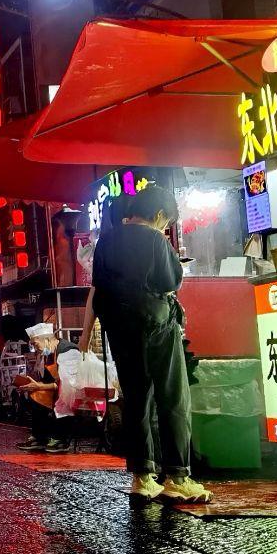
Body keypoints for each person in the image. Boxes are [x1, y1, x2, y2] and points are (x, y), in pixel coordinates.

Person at [93, 183, 209, 504]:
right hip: (156, 324)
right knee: (172, 397)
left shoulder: (105, 241)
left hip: (120, 329)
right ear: (158, 215)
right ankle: (178, 476)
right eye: (166, 222)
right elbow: (170, 281)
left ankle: (142, 477)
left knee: (136, 400)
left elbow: (99, 286)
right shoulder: (157, 241)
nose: (165, 227)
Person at [13, 322, 69, 454]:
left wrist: (40, 385)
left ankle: (60, 439)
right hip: (60, 388)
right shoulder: (49, 353)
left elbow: (68, 383)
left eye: (35, 344)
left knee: (58, 398)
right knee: (36, 395)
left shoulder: (67, 350)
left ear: (47, 339)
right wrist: (33, 385)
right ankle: (39, 437)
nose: (34, 348)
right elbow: (51, 380)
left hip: (71, 391)